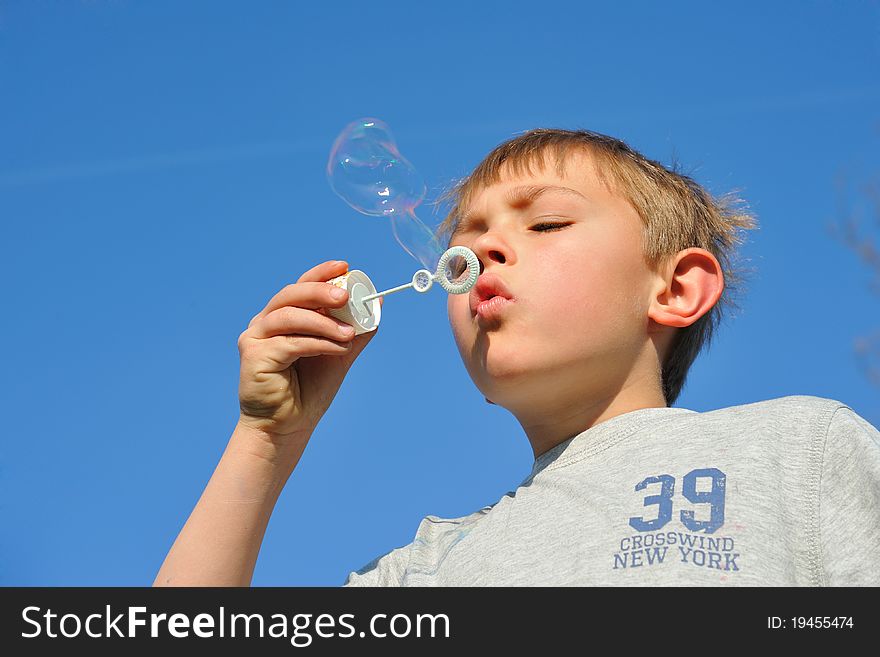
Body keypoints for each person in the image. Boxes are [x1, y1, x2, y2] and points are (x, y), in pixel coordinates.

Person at [154, 128, 880, 587]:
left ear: (677, 288)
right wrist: (264, 442)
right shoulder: (420, 573)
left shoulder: (798, 451)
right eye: (464, 242)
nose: (479, 251)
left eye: (547, 221)